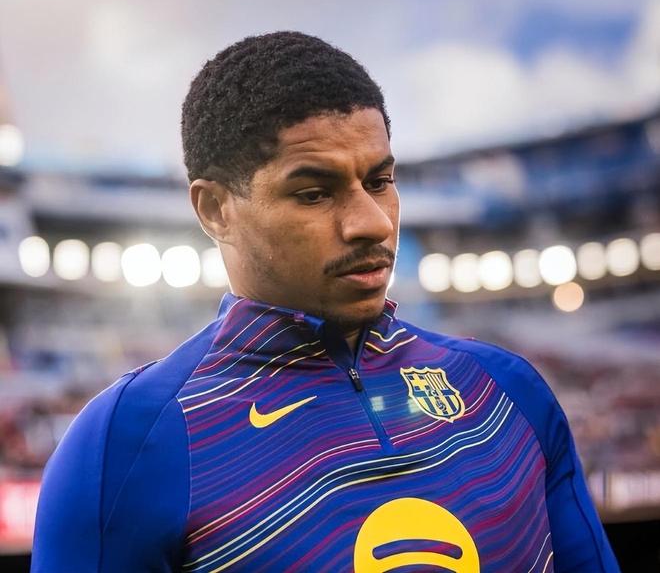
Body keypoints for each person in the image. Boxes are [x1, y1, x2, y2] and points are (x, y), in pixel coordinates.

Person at [31, 31, 619, 573]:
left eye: (380, 182)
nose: (372, 222)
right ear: (215, 210)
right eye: (314, 193)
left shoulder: (509, 392)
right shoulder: (126, 446)